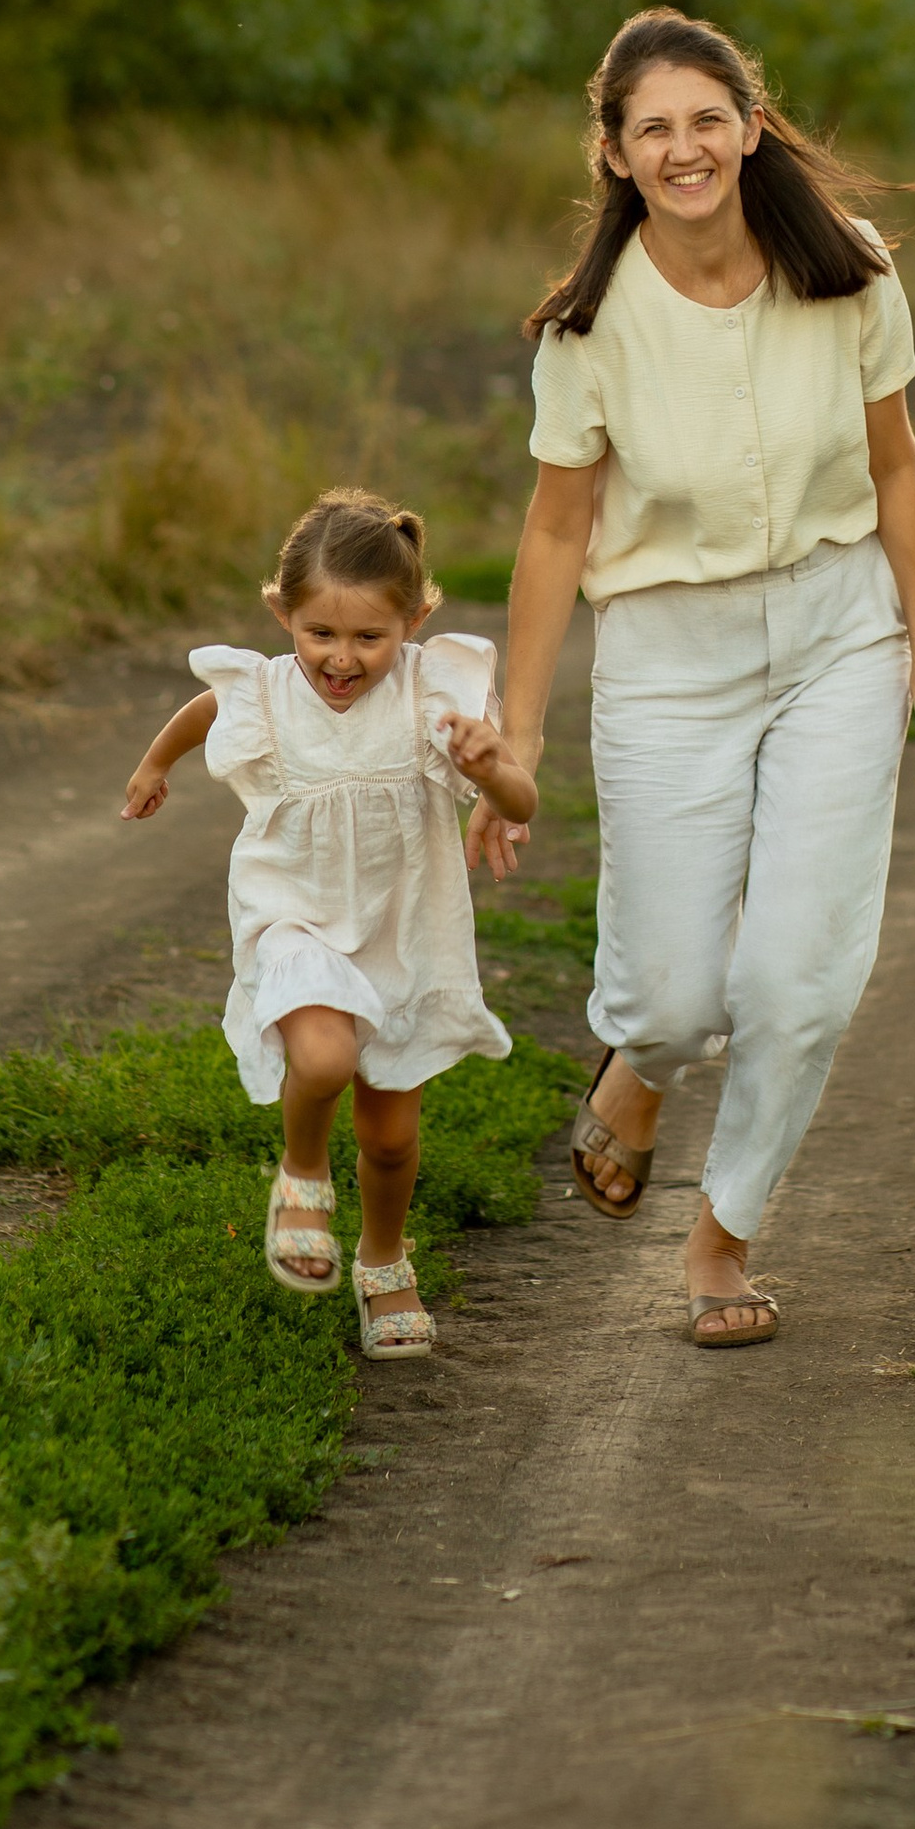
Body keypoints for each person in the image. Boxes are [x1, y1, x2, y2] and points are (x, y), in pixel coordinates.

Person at [497, 10, 915, 1350]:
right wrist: (516, 740)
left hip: (837, 637)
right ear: (615, 154)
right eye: (654, 128)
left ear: (752, 129)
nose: (685, 147)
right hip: (668, 658)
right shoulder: (590, 328)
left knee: (800, 983)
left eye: (709, 119)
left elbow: (896, 470)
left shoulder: (849, 271)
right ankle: (640, 1064)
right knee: (672, 1000)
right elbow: (554, 534)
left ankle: (722, 1240)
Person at [121, 485, 536, 1360]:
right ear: (283, 613)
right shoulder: (267, 689)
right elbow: (204, 713)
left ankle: (384, 1259)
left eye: (368, 638)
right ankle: (303, 1171)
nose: (341, 659)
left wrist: (492, 770)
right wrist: (156, 764)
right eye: (320, 633)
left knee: (390, 1139)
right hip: (294, 913)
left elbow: (521, 798)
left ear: (414, 620)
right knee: (322, 1057)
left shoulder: (435, 694)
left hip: (402, 929)